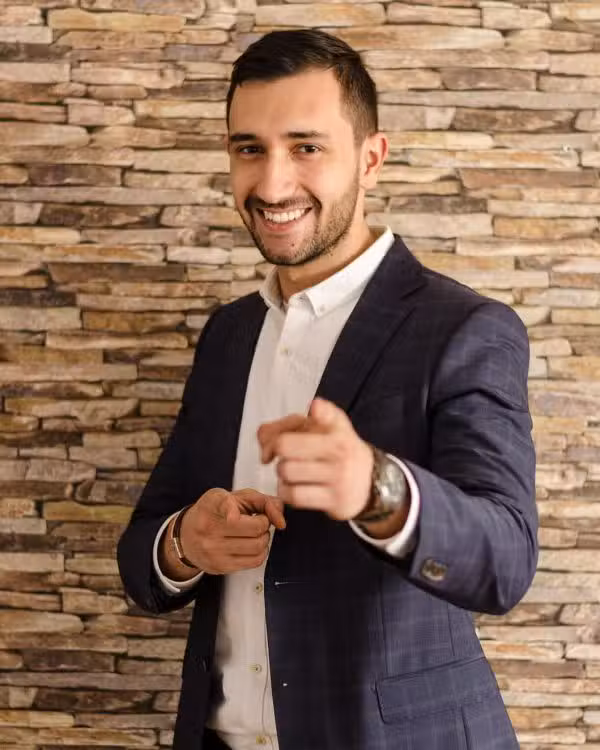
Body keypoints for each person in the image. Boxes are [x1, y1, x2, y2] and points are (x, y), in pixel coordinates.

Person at [117, 28, 538, 750]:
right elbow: (141, 556)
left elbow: (505, 562)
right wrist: (186, 542)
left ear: (370, 158)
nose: (272, 185)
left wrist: (378, 489)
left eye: (306, 146)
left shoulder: (466, 328)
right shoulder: (227, 335)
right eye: (249, 148)